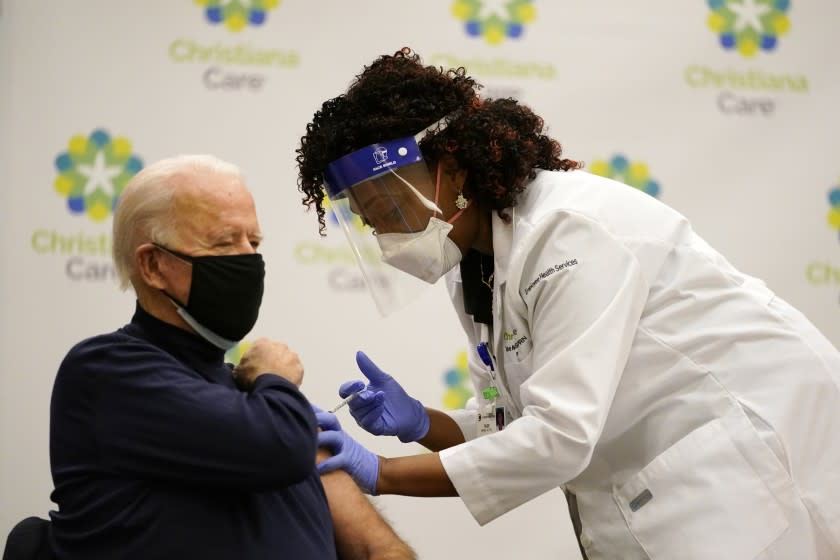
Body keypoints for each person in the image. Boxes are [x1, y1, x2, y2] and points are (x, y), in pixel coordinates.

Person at [294, 47, 840, 559]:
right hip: (674, 474)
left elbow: (556, 438)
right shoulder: (478, 262)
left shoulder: (567, 233)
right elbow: (521, 422)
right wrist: (421, 423)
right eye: (370, 221)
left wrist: (383, 473)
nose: (385, 234)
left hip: (741, 459)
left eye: (390, 207)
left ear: (453, 169)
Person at [48, 154, 415, 559]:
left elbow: (378, 550)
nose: (249, 260)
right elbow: (279, 447)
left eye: (253, 243)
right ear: (153, 265)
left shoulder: (265, 404)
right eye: (224, 242)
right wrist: (276, 380)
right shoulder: (107, 371)